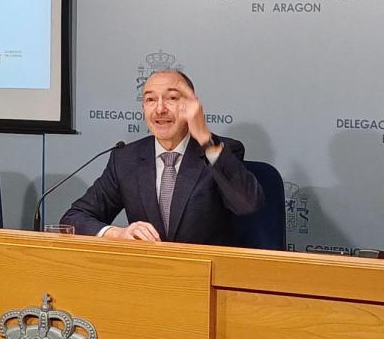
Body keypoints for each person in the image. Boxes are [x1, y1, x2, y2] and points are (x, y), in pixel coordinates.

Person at [60, 70, 263, 245]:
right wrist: (118, 233)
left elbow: (247, 204)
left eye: (172, 98)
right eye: (150, 100)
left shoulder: (219, 150)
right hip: (148, 276)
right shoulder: (125, 159)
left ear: (192, 107)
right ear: (143, 109)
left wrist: (203, 137)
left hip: (204, 277)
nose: (160, 109)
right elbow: (74, 218)